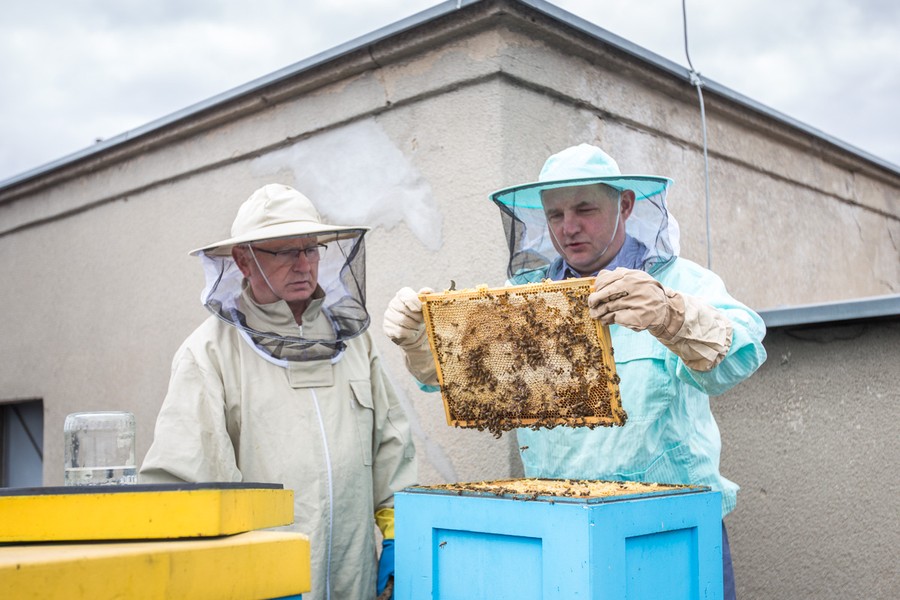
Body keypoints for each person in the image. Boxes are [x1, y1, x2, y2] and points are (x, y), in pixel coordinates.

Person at [382, 144, 767, 600]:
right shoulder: (526, 298)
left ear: (625, 205)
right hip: (555, 525)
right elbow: (461, 381)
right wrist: (422, 343)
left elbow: (741, 355)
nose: (569, 227)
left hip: (670, 530)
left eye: (585, 209)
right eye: (555, 214)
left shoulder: (683, 282)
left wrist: (672, 315)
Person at [141, 183, 416, 600]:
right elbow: (184, 486)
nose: (305, 264)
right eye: (287, 251)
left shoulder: (353, 342)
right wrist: (235, 572)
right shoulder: (209, 353)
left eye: (311, 248)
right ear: (243, 260)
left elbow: (392, 449)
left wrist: (399, 538)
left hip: (353, 582)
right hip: (255, 583)